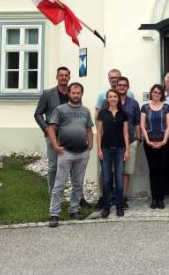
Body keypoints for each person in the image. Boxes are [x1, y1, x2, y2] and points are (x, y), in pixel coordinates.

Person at [48, 82, 94, 228]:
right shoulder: (60, 110)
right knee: (59, 184)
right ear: (69, 94)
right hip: (66, 152)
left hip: (82, 152)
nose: (76, 95)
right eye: (73, 93)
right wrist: (55, 145)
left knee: (78, 184)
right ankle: (54, 214)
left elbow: (88, 128)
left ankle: (74, 210)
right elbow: (51, 128)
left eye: (78, 93)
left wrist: (90, 144)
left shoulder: (86, 111)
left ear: (81, 94)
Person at [34, 66, 70, 194]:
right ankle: (52, 193)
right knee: (53, 166)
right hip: (53, 135)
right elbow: (37, 114)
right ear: (57, 77)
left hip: (70, 136)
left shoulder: (73, 93)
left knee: (71, 165)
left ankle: (76, 196)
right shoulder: (48, 94)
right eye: (61, 75)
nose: (64, 77)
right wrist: (46, 128)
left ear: (69, 77)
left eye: (66, 75)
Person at [96, 89, 130, 218]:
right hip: (105, 149)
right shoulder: (102, 113)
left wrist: (127, 150)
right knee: (106, 179)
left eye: (115, 96)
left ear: (118, 98)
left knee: (119, 180)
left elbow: (126, 133)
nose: (113, 99)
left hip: (120, 149)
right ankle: (106, 207)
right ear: (107, 99)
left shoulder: (123, 114)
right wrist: (99, 149)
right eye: (110, 97)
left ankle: (120, 207)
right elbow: (99, 132)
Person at [141, 84, 169, 209]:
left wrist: (164, 140)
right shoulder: (145, 107)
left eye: (159, 93)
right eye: (155, 92)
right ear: (151, 93)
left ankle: (161, 199)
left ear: (162, 95)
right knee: (153, 170)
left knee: (162, 171)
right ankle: (154, 198)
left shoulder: (166, 107)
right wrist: (147, 140)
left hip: (163, 143)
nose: (157, 95)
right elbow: (143, 125)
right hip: (149, 143)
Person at [117, 77, 141, 208]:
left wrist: (138, 139)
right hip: (113, 141)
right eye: (119, 85)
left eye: (124, 85)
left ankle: (123, 197)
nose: (122, 87)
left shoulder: (133, 103)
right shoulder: (109, 101)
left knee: (126, 171)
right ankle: (111, 196)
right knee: (113, 171)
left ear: (128, 86)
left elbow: (137, 122)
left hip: (131, 141)